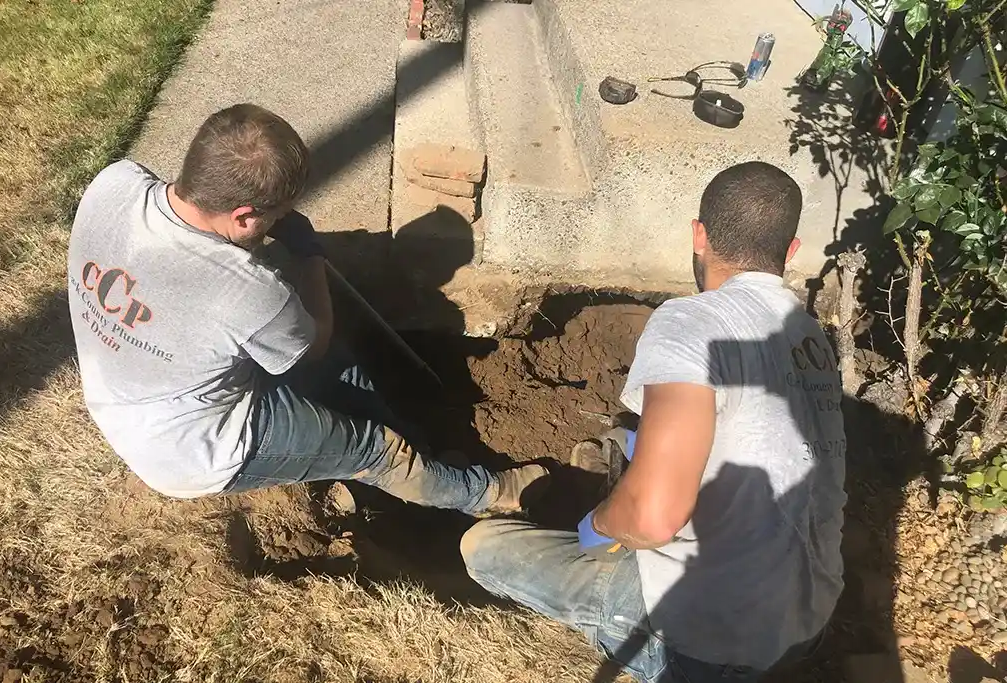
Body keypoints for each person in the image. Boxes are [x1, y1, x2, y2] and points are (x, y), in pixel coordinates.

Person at [460, 161, 847, 682]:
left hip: (711, 644)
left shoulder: (690, 322)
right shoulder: (810, 337)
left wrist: (597, 524)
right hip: (805, 620)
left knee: (484, 548)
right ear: (791, 250)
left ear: (699, 235)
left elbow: (652, 521)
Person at [66, 102, 547, 516]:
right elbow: (313, 345)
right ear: (245, 216)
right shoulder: (247, 291)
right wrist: (310, 256)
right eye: (275, 216)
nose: (278, 223)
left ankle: (409, 436)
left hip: (129, 389)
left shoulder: (114, 183)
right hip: (194, 448)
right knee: (372, 448)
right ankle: (485, 494)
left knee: (344, 371)